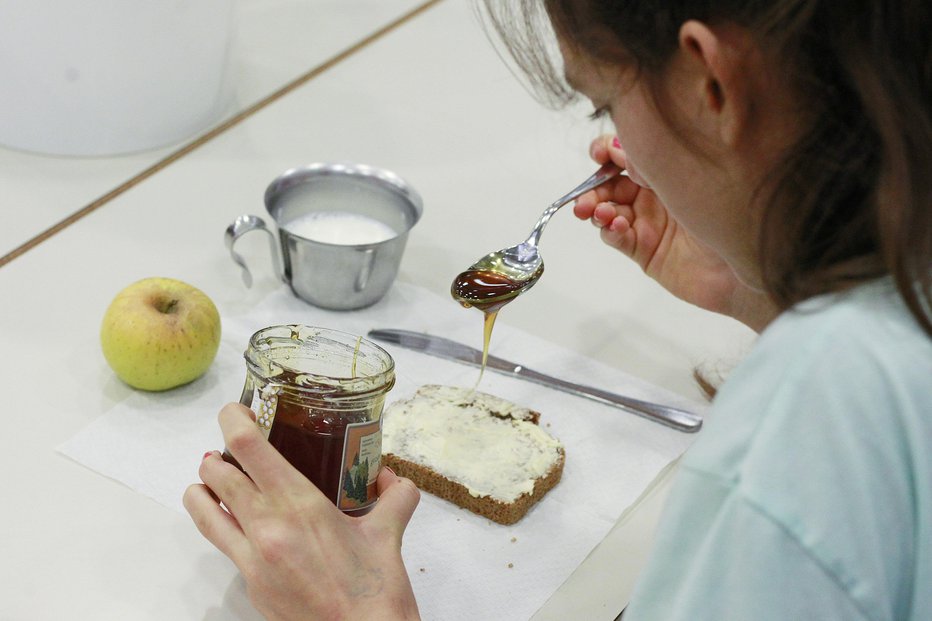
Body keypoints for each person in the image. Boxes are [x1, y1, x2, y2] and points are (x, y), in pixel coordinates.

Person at [184, 0, 932, 618]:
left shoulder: (799, 439)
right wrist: (764, 287)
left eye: (604, 99)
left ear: (711, 84)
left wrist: (360, 611)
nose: (614, 140)